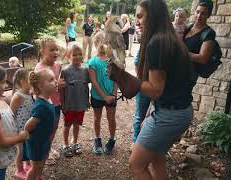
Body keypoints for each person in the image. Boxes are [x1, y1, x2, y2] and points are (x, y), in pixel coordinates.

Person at [129, 0, 195, 179]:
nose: (137, 21)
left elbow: (156, 90)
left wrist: (129, 80)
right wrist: (150, 113)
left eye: (140, 16)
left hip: (170, 115)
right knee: (157, 157)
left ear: (154, 16)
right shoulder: (170, 38)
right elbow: (166, 87)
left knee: (136, 164)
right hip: (181, 112)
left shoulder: (157, 43)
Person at [34, 38, 66, 165]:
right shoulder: (39, 68)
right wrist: (57, 85)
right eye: (52, 50)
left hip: (56, 104)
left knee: (53, 128)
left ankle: (47, 148)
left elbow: (58, 85)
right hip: (44, 105)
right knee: (44, 129)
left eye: (56, 49)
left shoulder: (58, 66)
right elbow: (36, 89)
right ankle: (43, 153)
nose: (55, 52)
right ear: (42, 51)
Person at [24, 69, 58, 179]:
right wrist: (26, 134)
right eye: (51, 80)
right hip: (37, 143)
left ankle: (37, 176)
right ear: (41, 85)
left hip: (44, 139)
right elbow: (28, 126)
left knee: (41, 163)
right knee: (35, 167)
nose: (56, 81)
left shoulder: (47, 98)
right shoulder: (41, 106)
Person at [59, 44, 90, 157]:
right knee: (67, 125)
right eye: (74, 54)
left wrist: (87, 101)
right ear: (68, 56)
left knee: (77, 124)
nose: (77, 57)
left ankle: (75, 142)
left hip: (80, 104)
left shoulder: (85, 71)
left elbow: (86, 87)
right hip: (69, 104)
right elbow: (61, 90)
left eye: (80, 54)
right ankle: (65, 145)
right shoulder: (65, 71)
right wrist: (63, 104)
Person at [88, 43, 118, 155]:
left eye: (104, 42)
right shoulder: (93, 62)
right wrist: (104, 96)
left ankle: (112, 139)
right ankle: (97, 139)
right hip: (97, 96)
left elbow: (116, 77)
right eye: (99, 42)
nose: (101, 45)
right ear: (95, 43)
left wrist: (114, 93)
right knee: (97, 117)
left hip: (111, 95)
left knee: (111, 117)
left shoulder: (113, 60)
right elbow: (93, 81)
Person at [184, 0, 215, 82]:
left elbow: (203, 58)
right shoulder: (187, 27)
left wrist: (181, 53)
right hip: (175, 69)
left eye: (203, 13)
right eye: (197, 12)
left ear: (208, 15)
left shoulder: (208, 33)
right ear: (194, 12)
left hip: (189, 74)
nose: (199, 15)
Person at [10, 68, 33, 179]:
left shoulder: (30, 93)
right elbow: (11, 114)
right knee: (20, 150)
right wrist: (14, 130)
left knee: (28, 147)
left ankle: (27, 164)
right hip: (20, 129)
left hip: (28, 128)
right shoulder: (18, 96)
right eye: (30, 79)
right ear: (22, 81)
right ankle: (19, 170)